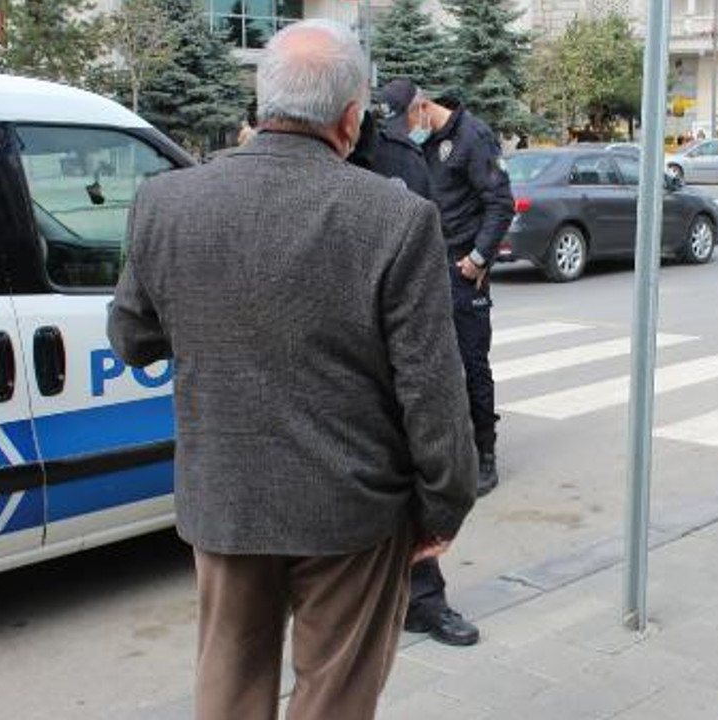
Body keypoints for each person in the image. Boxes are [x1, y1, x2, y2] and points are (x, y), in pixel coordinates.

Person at [107, 21, 476, 720]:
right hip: (352, 513)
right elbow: (432, 389)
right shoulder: (396, 220)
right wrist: (444, 504)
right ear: (349, 118)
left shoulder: (166, 203)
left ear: (262, 100)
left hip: (225, 500)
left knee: (228, 688)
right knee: (335, 696)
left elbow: (132, 338)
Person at [352, 78, 482, 648]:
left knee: (404, 460)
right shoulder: (285, 164)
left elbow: (426, 249)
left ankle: (423, 598)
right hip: (319, 350)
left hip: (388, 344)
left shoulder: (398, 159)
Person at [404, 85, 515, 498]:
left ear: (422, 107)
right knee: (432, 366)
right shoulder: (424, 143)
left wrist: (479, 257)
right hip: (428, 269)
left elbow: (500, 203)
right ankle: (448, 451)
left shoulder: (473, 136)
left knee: (473, 363)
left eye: (406, 117)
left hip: (464, 272)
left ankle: (485, 455)